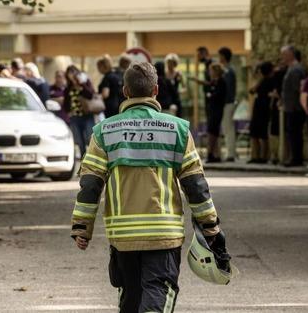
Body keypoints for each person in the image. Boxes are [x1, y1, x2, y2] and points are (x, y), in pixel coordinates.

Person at [71, 61, 229, 313]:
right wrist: (210, 226)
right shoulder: (177, 129)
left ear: (125, 92)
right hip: (163, 234)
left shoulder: (103, 132)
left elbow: (90, 184)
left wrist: (82, 227)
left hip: (123, 237)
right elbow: (195, 185)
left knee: (130, 299)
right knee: (158, 294)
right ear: (156, 90)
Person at [280, 45, 307, 167]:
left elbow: (298, 89)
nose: (282, 57)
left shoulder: (296, 70)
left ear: (291, 54)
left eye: (284, 54)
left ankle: (296, 158)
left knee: (295, 133)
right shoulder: (291, 69)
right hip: (291, 107)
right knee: (292, 133)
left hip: (295, 108)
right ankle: (294, 157)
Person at [63, 65, 96, 157]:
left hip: (87, 115)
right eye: (69, 73)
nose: (72, 74)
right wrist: (68, 112)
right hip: (75, 116)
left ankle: (92, 157)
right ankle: (83, 157)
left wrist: (81, 85)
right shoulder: (68, 87)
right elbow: (66, 102)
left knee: (90, 138)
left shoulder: (85, 82)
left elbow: (90, 95)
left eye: (73, 72)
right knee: (79, 140)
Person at [248, 61, 273, 164]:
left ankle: (262, 157)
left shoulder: (268, 81)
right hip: (260, 108)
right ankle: (257, 156)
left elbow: (252, 90)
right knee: (256, 133)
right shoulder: (263, 80)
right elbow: (252, 90)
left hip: (262, 108)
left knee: (261, 134)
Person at [218, 47, 237, 161]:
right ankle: (230, 152)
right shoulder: (226, 70)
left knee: (228, 128)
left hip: (227, 103)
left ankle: (231, 154)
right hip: (226, 103)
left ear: (224, 57)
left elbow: (228, 89)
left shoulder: (228, 71)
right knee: (226, 128)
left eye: (220, 55)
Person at [205, 63, 226, 163]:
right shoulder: (213, 82)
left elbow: (219, 96)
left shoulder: (221, 82)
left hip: (217, 109)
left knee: (213, 131)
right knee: (212, 131)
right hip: (212, 109)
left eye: (211, 71)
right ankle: (213, 154)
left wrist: (210, 95)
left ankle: (211, 153)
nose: (210, 73)